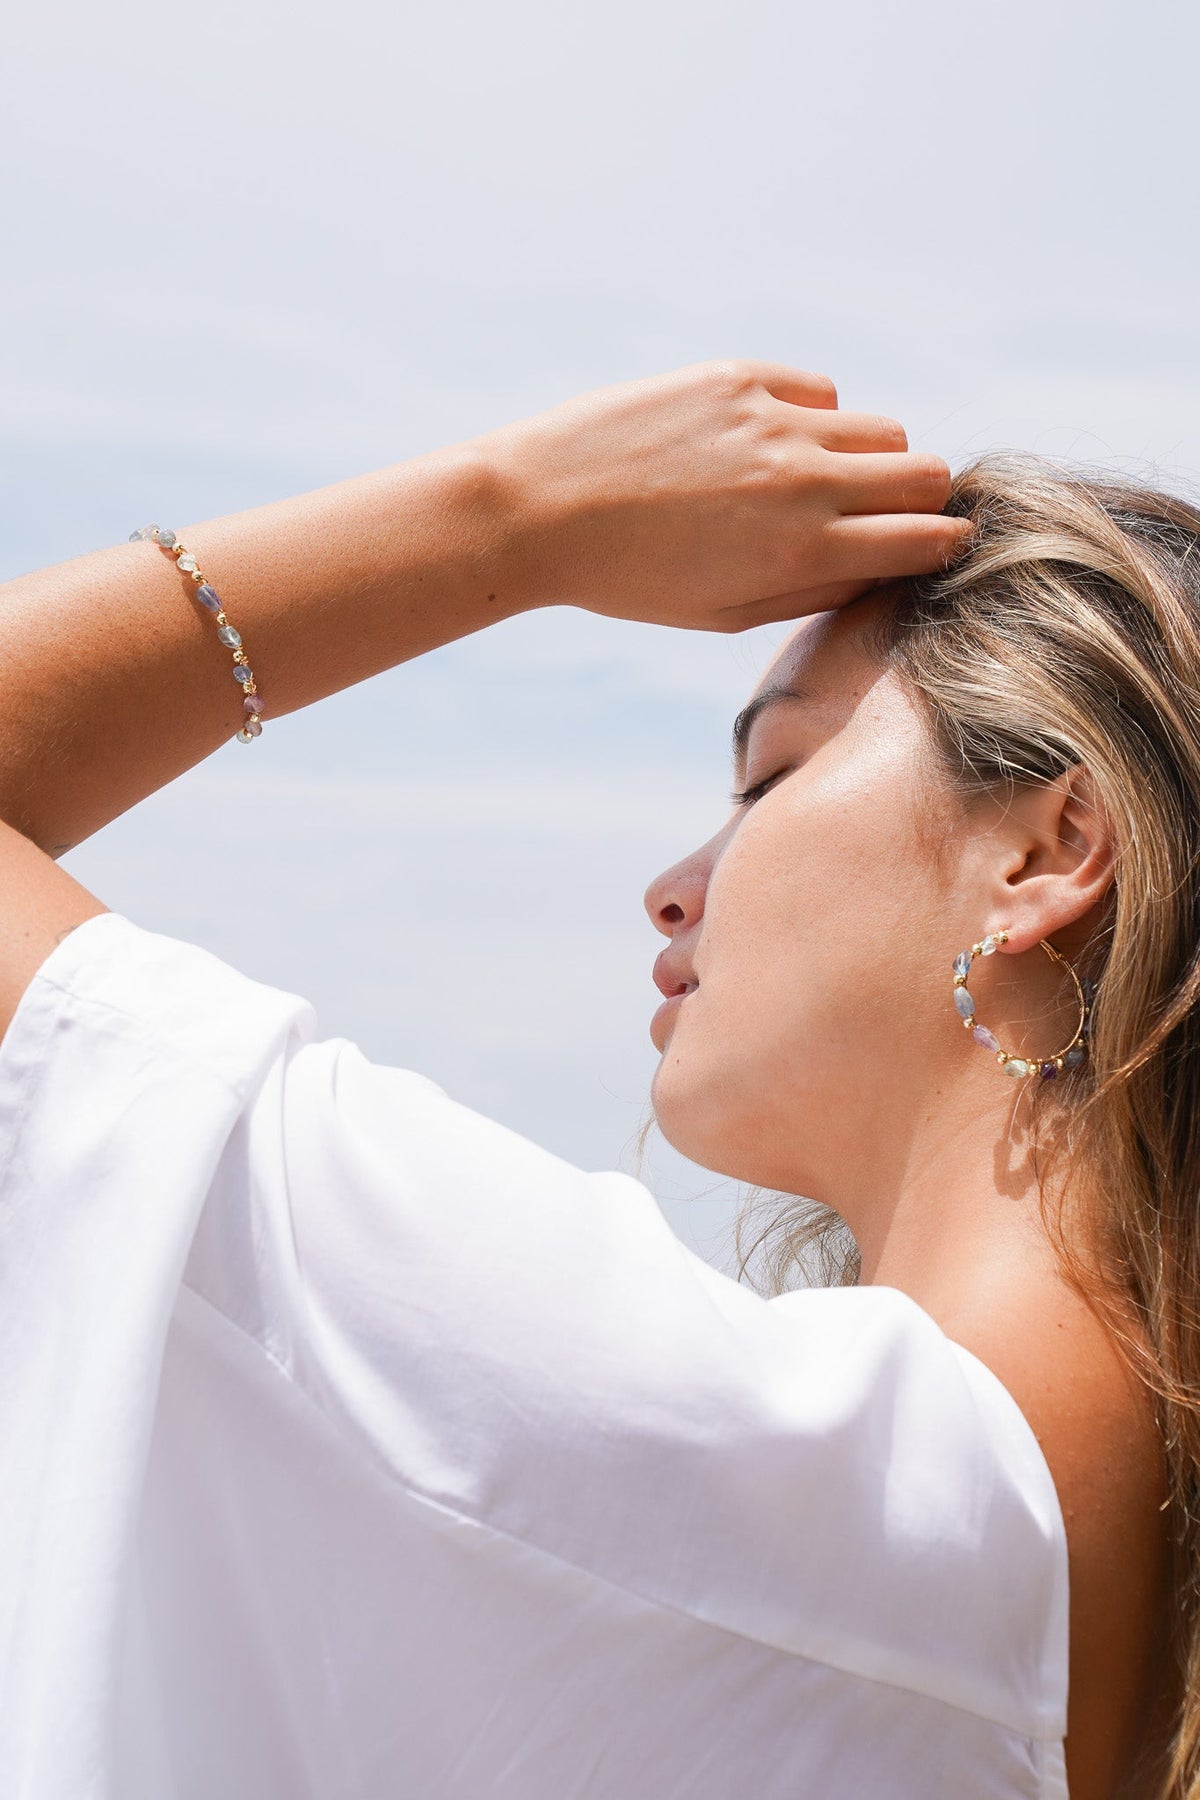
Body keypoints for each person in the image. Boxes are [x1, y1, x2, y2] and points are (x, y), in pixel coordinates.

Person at [0, 358, 1185, 1798]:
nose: (674, 886)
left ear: (1049, 851)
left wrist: (517, 517)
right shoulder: (1095, 1566)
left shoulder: (748, 1454)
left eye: (770, 777)